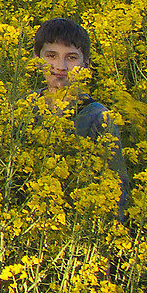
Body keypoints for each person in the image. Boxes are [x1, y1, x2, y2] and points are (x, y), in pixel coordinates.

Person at [32, 16, 130, 218]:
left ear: (86, 64)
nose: (61, 66)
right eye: (51, 56)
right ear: (36, 58)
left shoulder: (98, 117)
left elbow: (116, 189)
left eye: (71, 58)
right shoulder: (25, 108)